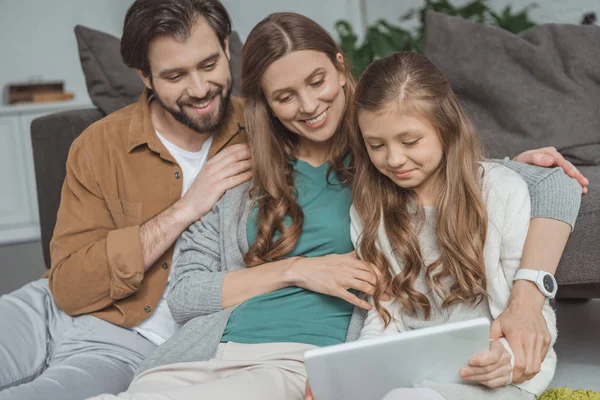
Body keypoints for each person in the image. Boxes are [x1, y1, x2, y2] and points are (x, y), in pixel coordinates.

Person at [88, 12, 582, 400]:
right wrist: (297, 270)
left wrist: (525, 293)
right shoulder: (240, 177)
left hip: (298, 356)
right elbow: (186, 294)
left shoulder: (379, 163)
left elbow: (521, 182)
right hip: (208, 349)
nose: (307, 105)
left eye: (317, 81)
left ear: (341, 67)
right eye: (284, 96)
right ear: (264, 102)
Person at [0, 1, 253, 399]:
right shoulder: (99, 144)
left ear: (226, 48)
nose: (200, 89)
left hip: (129, 343)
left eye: (208, 65)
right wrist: (187, 208)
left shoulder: (263, 134)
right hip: (47, 308)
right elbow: (67, 286)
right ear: (145, 76)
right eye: (175, 75)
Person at [348, 51, 560, 400]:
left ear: (445, 127)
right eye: (376, 145)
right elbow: (385, 315)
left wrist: (507, 359)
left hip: (499, 370)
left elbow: (532, 312)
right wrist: (364, 369)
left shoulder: (501, 190)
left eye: (410, 141)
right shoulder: (368, 208)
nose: (394, 159)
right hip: (412, 372)